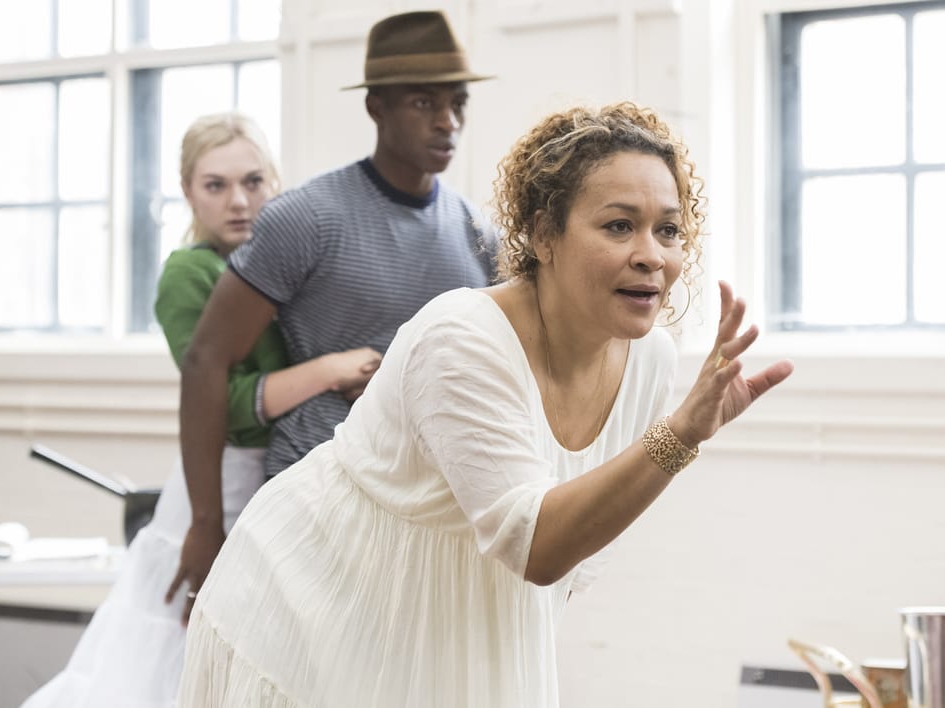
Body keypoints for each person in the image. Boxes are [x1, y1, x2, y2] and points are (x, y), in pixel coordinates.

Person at [174, 101, 795, 707]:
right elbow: (537, 547)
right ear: (543, 235)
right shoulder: (461, 338)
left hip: (456, 625)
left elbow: (572, 563)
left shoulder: (650, 361)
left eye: (668, 229)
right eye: (618, 225)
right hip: (306, 613)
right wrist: (681, 435)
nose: (651, 254)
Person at [21, 111, 380, 708]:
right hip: (221, 485)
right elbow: (230, 404)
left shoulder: (278, 267)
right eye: (216, 185)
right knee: (176, 671)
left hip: (276, 489)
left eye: (254, 181)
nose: (239, 201)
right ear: (188, 190)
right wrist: (327, 370)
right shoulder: (190, 272)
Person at [171, 9, 497, 620]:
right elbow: (206, 359)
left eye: (457, 102)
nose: (447, 120)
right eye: (424, 102)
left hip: (433, 505)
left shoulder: (475, 230)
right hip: (321, 493)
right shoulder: (307, 217)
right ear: (376, 107)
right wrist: (205, 524)